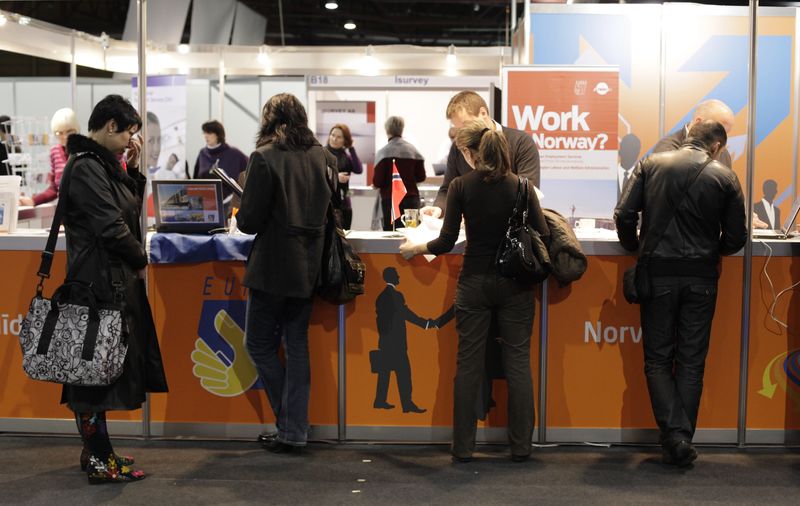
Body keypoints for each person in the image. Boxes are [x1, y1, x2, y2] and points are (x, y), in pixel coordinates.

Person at [399, 120, 549, 463]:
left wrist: (415, 247)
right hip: (515, 286)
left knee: (468, 367)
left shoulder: (461, 186)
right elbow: (541, 231)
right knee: (518, 365)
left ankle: (463, 448)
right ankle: (522, 447)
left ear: (470, 153)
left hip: (474, 284)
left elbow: (447, 241)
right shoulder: (523, 187)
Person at [615, 120, 746, 467]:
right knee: (691, 361)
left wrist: (635, 247)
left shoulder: (650, 163)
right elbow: (736, 238)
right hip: (702, 277)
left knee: (657, 359)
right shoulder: (724, 177)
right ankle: (680, 438)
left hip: (657, 274)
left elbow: (624, 214)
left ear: (688, 137)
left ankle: (675, 436)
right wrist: (710, 249)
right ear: (716, 147)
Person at [61, 94, 168, 484]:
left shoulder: (101, 166)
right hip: (95, 287)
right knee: (91, 377)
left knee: (96, 372)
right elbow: (111, 227)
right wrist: (141, 260)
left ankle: (97, 452)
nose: (130, 141)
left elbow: (124, 209)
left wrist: (133, 169)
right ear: (110, 127)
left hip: (103, 284)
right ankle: (99, 459)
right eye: (128, 134)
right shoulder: (87, 168)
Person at [237, 93, 333, 453]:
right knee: (297, 347)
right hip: (310, 268)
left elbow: (248, 222)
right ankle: (294, 429)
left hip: (273, 266)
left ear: (271, 121)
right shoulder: (323, 155)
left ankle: (290, 424)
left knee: (259, 344)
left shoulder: (264, 157)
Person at [420, 91, 540, 219]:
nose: (462, 134)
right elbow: (447, 189)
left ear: (483, 113)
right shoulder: (458, 148)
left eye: (466, 124)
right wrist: (438, 209)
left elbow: (528, 192)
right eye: (458, 129)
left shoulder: (521, 142)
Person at [372, 267, 435, 413]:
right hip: (397, 344)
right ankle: (407, 404)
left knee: (384, 373)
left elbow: (380, 320)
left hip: (385, 342)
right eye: (397, 276)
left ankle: (379, 401)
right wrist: (425, 323)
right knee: (404, 374)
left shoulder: (380, 297)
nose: (399, 278)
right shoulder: (396, 296)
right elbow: (406, 314)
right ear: (392, 277)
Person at [373, 116, 426, 231]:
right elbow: (421, 176)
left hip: (391, 202)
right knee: (412, 232)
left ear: (387, 130)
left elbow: (378, 181)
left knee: (391, 235)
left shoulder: (383, 153)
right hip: (411, 200)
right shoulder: (414, 151)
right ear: (402, 129)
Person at [19, 108, 80, 206]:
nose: (64, 136)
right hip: (66, 213)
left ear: (76, 129)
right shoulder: (55, 151)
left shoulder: (85, 151)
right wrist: (33, 201)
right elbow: (54, 188)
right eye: (59, 133)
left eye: (69, 132)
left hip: (87, 213)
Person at [653, 99, 734, 168]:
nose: (723, 140)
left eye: (726, 133)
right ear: (698, 122)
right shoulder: (666, 149)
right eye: (719, 131)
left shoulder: (724, 154)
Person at [192, 120, 248, 199]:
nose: (206, 136)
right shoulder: (202, 154)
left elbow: (249, 172)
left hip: (229, 203)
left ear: (218, 135)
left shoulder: (234, 154)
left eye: (209, 133)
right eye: (204, 133)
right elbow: (196, 179)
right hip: (205, 201)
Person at [324, 123, 362, 229]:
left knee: (345, 238)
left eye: (339, 137)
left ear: (344, 140)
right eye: (332, 135)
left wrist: (351, 148)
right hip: (327, 204)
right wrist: (335, 176)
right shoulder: (322, 153)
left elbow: (358, 170)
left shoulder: (347, 156)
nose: (334, 139)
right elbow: (317, 174)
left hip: (345, 203)